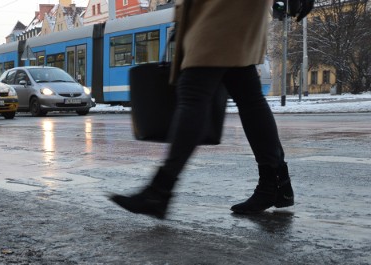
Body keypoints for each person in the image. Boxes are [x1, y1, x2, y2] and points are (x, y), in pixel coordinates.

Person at [110, 0, 313, 218]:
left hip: (224, 10)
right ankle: (275, 184)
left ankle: (159, 191)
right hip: (224, 11)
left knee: (194, 93)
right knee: (248, 96)